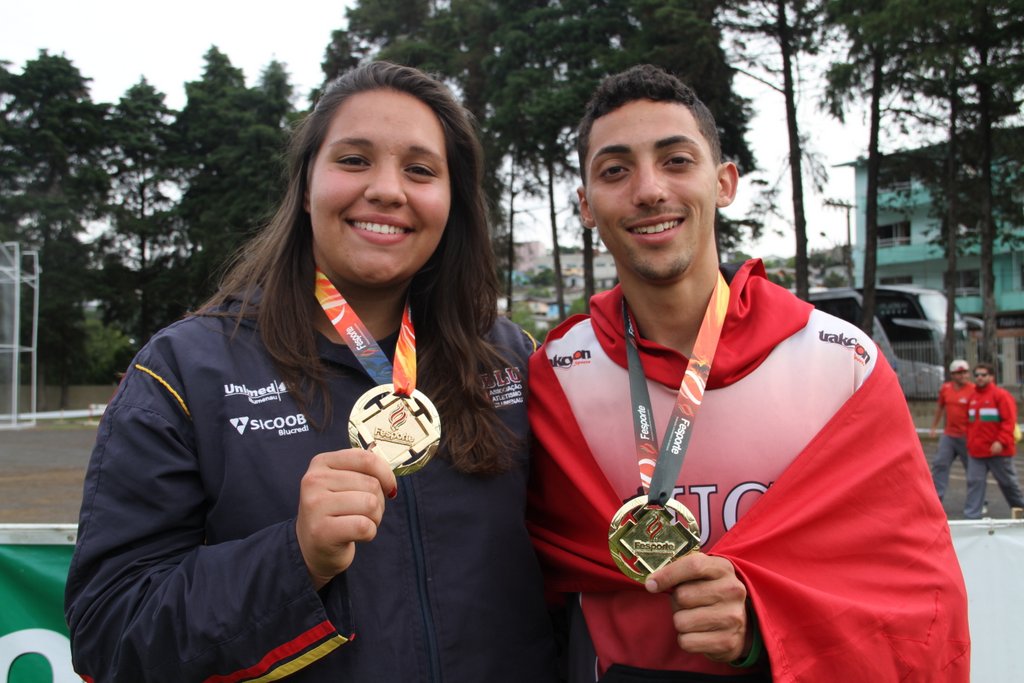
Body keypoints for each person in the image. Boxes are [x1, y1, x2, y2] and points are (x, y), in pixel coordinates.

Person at [64, 62, 558, 682]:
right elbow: (109, 636)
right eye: (354, 160)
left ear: (453, 199)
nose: (387, 189)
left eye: (421, 169)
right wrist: (293, 558)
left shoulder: (509, 359)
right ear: (304, 186)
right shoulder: (185, 372)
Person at [526, 64, 969, 682]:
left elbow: (917, 601)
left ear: (725, 182)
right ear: (586, 206)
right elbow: (513, 591)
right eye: (615, 170)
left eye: (676, 160)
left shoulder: (841, 365)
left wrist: (763, 626)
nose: (649, 190)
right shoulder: (555, 379)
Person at [964, 362, 1024, 519]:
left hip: (999, 452)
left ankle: (1020, 510)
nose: (980, 378)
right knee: (974, 484)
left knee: (1009, 485)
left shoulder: (1001, 396)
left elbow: (1009, 422)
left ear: (991, 377)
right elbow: (970, 423)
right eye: (977, 375)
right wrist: (970, 443)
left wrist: (1000, 441)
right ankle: (972, 518)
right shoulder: (973, 397)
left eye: (983, 375)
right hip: (977, 452)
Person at [929, 359, 974, 501]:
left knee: (972, 469)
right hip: (949, 435)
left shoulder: (973, 390)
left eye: (965, 372)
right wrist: (934, 427)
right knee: (940, 464)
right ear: (953, 375)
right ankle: (937, 498)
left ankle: (979, 500)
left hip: (967, 436)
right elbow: (940, 408)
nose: (963, 376)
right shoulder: (946, 389)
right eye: (959, 373)